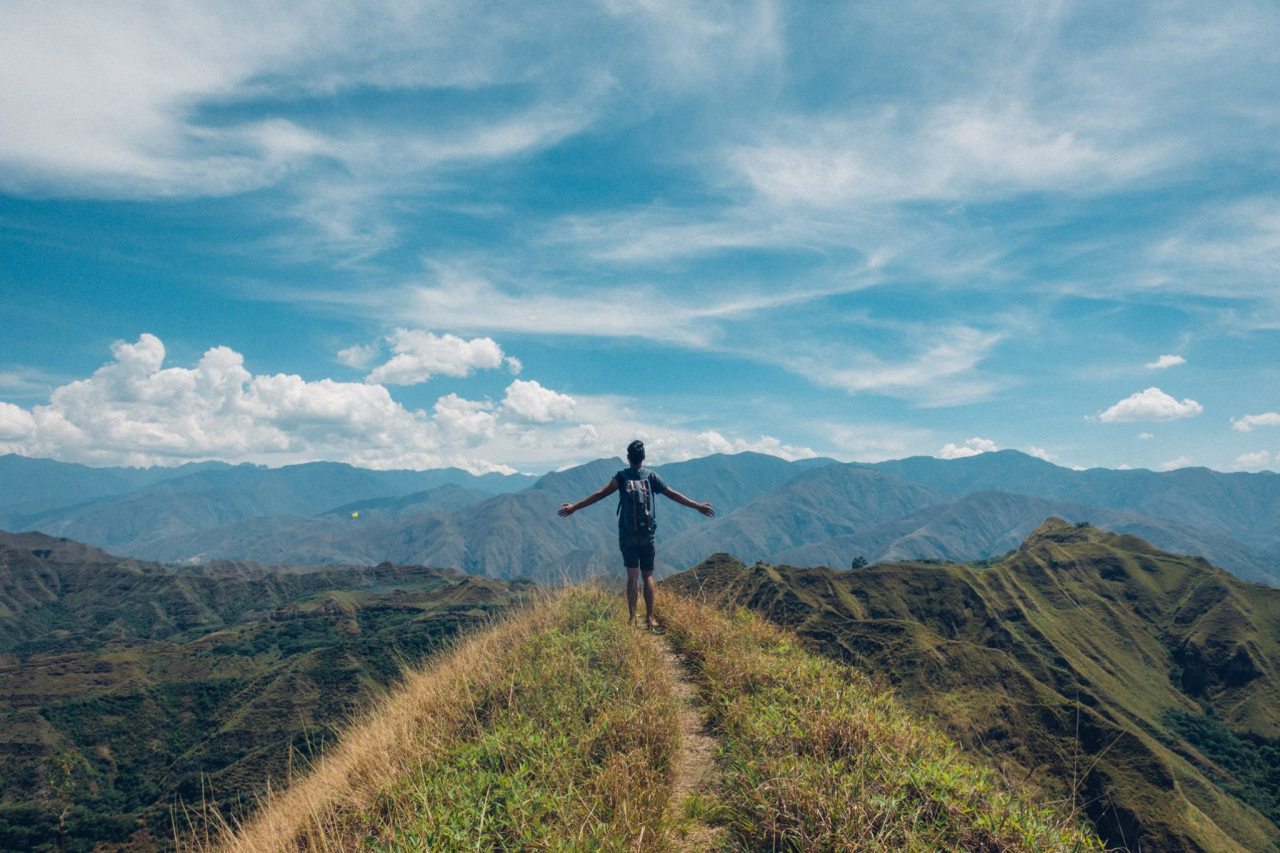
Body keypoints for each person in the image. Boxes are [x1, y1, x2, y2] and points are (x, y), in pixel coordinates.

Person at [558, 440, 715, 628]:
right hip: (647, 534)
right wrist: (697, 506)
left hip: (627, 535)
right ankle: (650, 618)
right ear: (644, 458)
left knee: (632, 576)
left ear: (627, 457)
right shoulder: (651, 476)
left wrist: (575, 506)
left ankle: (632, 619)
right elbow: (673, 494)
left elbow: (599, 494)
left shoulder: (621, 477)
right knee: (647, 576)